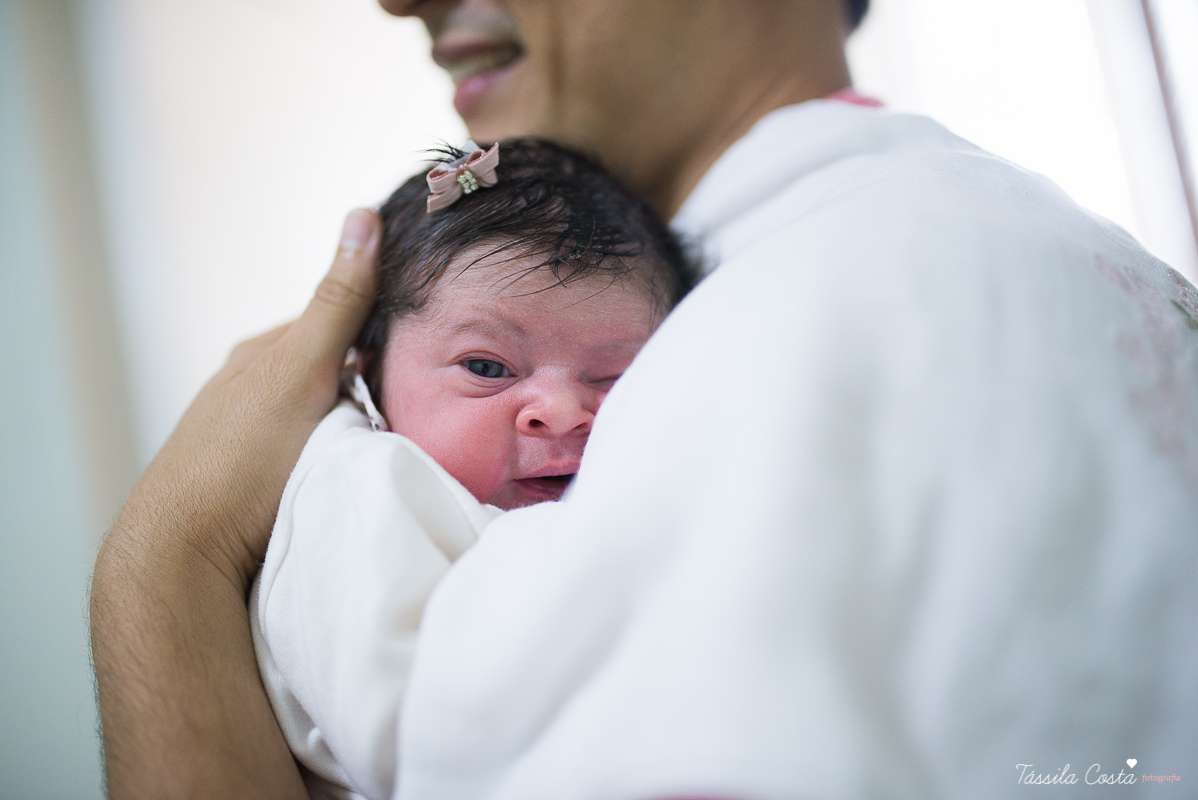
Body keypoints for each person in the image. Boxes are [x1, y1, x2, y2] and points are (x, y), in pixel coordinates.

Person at [91, 0, 1198, 798]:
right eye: (488, 365)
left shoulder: (816, 307)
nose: (396, 1)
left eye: (608, 376)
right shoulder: (1029, 250)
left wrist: (168, 560)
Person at [251, 138, 696, 800]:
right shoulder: (362, 485)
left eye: (615, 376)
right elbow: (407, 732)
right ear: (365, 370)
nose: (563, 412)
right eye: (487, 368)